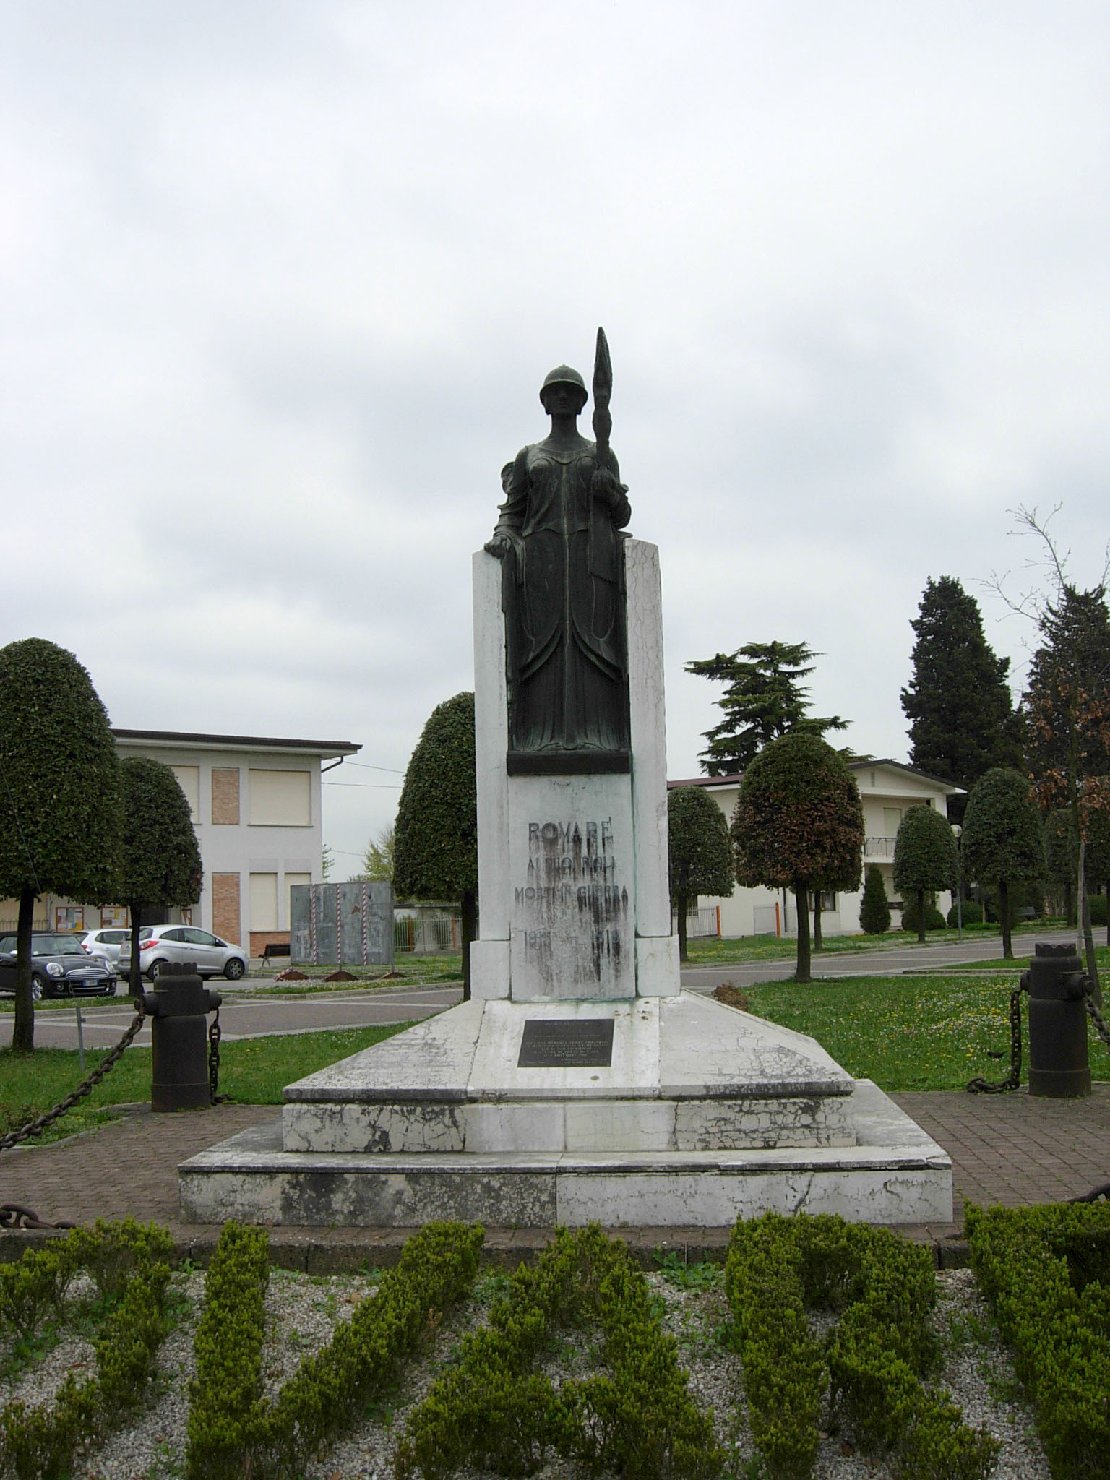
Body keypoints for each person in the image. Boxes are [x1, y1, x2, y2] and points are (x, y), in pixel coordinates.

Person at [486, 365, 631, 767]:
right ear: (545, 401)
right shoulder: (529, 455)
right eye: (556, 391)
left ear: (584, 402)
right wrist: (503, 536)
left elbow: (622, 514)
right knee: (543, 649)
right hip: (541, 563)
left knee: (592, 645)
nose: (564, 397)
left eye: (571, 392)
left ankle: (600, 735)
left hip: (591, 561)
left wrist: (609, 493)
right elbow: (511, 513)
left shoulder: (600, 454)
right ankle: (538, 738)